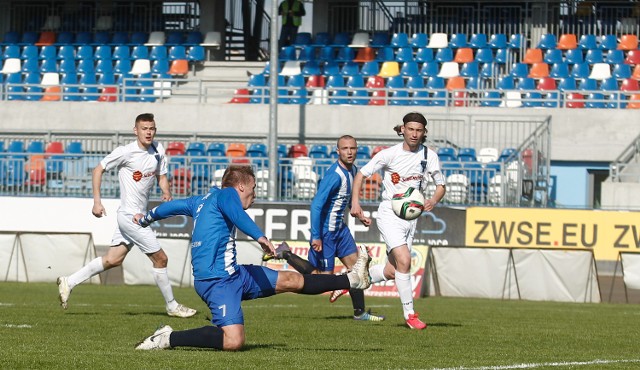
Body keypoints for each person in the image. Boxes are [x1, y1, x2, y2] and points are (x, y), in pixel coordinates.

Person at [133, 165, 371, 351]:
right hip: (216, 282)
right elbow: (237, 215)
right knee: (233, 341)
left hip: (236, 274)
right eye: (254, 188)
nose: (255, 194)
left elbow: (171, 207)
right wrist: (259, 236)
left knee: (291, 280)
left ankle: (352, 280)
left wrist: (147, 218)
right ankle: (168, 337)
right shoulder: (227, 195)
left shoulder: (203, 200)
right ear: (241, 188)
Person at [56, 113, 197, 318]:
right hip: (131, 218)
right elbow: (98, 170)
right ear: (136, 130)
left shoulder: (158, 150)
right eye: (144, 128)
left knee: (113, 259)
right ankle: (172, 305)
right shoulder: (125, 152)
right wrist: (97, 202)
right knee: (161, 259)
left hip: (137, 216)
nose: (149, 132)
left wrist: (166, 192)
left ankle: (69, 281)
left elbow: (162, 176)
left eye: (152, 128)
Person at [264, 135, 383, 322]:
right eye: (345, 149)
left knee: (358, 268)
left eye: (352, 148)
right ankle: (286, 254)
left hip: (340, 231)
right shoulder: (334, 176)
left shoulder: (353, 171)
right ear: (338, 151)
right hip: (326, 233)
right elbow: (316, 206)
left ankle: (359, 312)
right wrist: (316, 236)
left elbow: (346, 202)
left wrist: (359, 215)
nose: (349, 152)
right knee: (322, 279)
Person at [350, 112, 446, 330]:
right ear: (402, 129)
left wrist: (433, 200)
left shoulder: (429, 156)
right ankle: (410, 315)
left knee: (393, 270)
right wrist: (356, 203)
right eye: (410, 129)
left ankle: (348, 281)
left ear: (424, 133)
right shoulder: (389, 154)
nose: (414, 134)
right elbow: (360, 175)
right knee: (404, 260)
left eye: (418, 130)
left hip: (411, 218)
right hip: (389, 213)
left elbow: (441, 186)